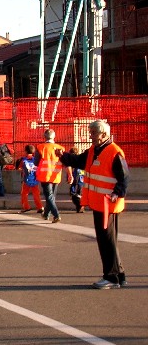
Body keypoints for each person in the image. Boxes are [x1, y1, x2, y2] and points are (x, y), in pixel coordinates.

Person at [57, 120, 129, 289]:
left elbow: (124, 177)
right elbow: (79, 161)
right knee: (108, 239)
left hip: (107, 204)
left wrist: (117, 193)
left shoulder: (114, 152)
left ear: (104, 134)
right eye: (91, 132)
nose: (91, 136)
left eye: (93, 133)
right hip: (100, 203)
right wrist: (64, 155)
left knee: (106, 240)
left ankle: (111, 278)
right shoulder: (94, 151)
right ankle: (119, 274)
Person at [34, 129, 65, 223]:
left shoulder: (40, 147)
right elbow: (64, 161)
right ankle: (46, 214)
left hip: (45, 175)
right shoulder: (60, 148)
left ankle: (56, 215)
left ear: (45, 136)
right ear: (54, 136)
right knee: (51, 196)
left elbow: (36, 162)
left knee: (49, 196)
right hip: (56, 174)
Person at [16, 144, 43, 214]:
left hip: (27, 179)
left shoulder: (23, 160)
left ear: (25, 151)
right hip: (35, 179)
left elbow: (18, 168)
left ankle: (26, 207)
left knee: (24, 193)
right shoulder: (35, 159)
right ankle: (40, 207)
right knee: (36, 193)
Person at [67, 147, 85, 213]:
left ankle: (80, 206)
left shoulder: (74, 162)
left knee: (74, 194)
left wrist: (72, 180)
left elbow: (76, 173)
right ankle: (80, 207)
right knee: (78, 195)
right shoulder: (80, 160)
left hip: (77, 181)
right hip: (81, 181)